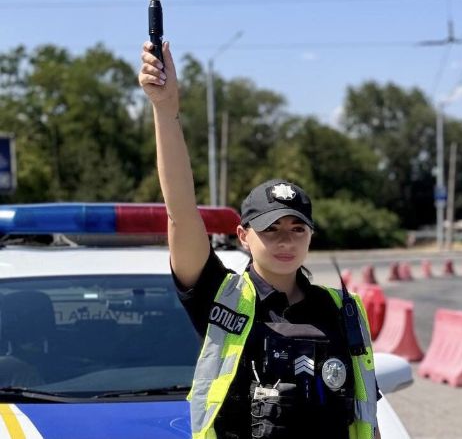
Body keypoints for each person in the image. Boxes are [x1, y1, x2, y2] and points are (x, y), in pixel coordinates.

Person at [138, 41, 380, 439]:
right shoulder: (220, 296)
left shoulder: (342, 309)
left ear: (310, 237)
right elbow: (181, 212)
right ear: (243, 236)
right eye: (271, 229)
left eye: (297, 229)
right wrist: (165, 111)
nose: (285, 240)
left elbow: (363, 412)